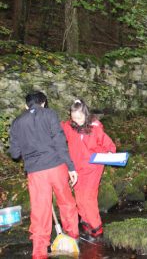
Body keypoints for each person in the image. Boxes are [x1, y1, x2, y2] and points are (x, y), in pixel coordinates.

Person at [9, 91, 79, 259]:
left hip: (36, 173)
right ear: (44, 103)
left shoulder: (17, 122)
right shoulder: (50, 114)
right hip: (56, 167)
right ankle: (73, 238)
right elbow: (60, 142)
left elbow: (14, 153)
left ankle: (39, 253)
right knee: (66, 203)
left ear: (26, 105)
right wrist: (70, 167)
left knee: (40, 213)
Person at [61, 99, 116, 240]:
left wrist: (110, 152)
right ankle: (86, 225)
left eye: (79, 118)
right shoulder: (68, 126)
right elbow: (55, 131)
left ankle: (97, 229)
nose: (77, 121)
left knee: (88, 197)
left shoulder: (95, 127)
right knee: (79, 197)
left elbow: (108, 143)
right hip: (77, 168)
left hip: (94, 167)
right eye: (74, 118)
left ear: (85, 114)